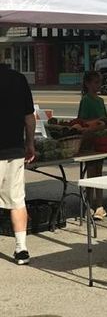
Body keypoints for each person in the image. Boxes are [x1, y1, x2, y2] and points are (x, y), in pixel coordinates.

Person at [0, 62, 36, 265]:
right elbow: (29, 117)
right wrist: (29, 143)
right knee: (17, 200)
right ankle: (21, 249)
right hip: (15, 149)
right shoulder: (19, 79)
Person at [78, 70, 107, 220]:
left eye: (99, 82)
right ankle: (88, 203)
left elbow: (106, 120)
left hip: (101, 140)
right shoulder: (86, 100)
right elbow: (81, 122)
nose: (98, 85)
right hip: (89, 140)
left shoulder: (101, 101)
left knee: (99, 172)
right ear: (87, 84)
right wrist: (97, 121)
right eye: (95, 82)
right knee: (91, 172)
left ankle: (100, 205)